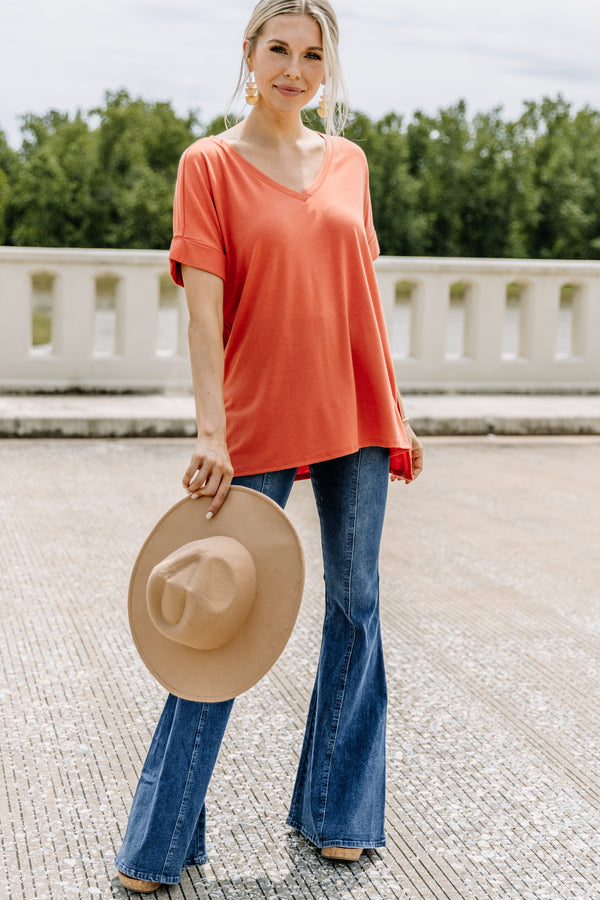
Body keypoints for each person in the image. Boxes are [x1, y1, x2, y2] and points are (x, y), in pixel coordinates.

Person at [115, 0, 423, 891]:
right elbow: (202, 311)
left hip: (356, 416)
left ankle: (340, 813)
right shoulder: (208, 165)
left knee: (357, 606)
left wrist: (394, 414)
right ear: (248, 54)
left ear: (328, 69)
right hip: (256, 419)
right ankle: (159, 843)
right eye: (279, 48)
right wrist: (211, 431)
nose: (295, 68)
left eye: (312, 54)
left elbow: (359, 297)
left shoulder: (350, 163)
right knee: (219, 620)